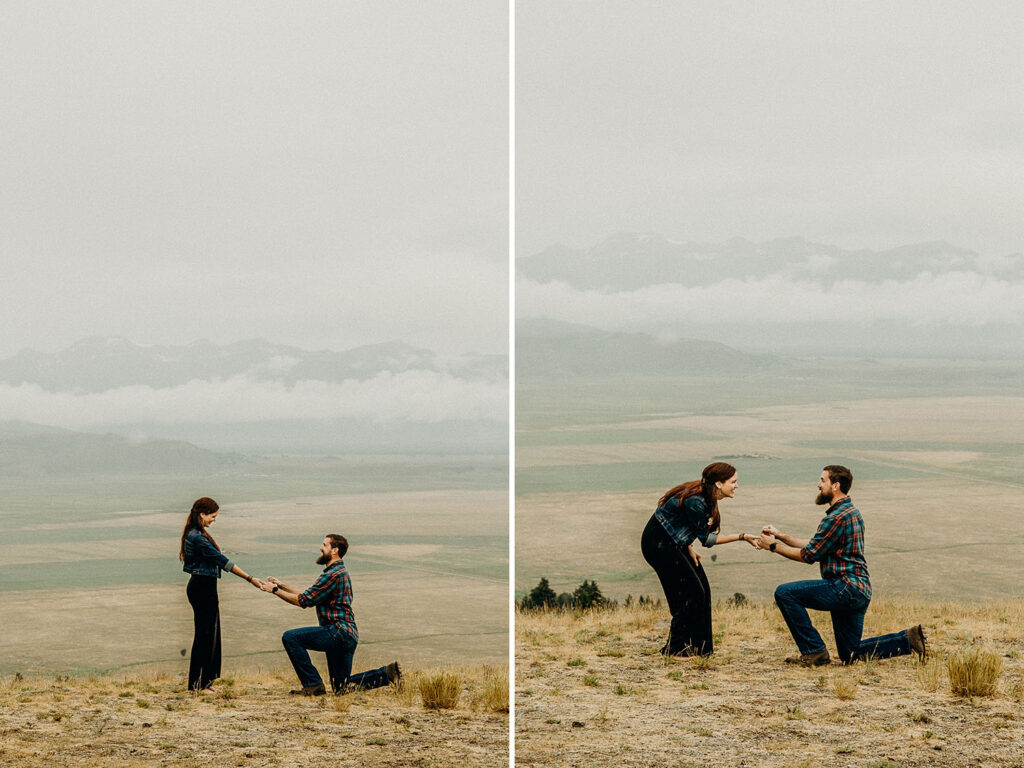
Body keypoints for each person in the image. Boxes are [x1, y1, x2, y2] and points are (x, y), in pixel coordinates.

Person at [756, 465, 927, 666]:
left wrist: (773, 546)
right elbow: (816, 545)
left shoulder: (836, 517)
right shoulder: (850, 511)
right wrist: (781, 535)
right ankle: (908, 639)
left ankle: (814, 651)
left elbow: (809, 555)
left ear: (835, 485)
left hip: (845, 587)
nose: (818, 485)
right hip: (858, 590)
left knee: (785, 593)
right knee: (851, 653)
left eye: (822, 480)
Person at [640, 462, 758, 656]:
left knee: (703, 591)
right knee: (691, 594)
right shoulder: (696, 501)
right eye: (733, 482)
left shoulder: (705, 494)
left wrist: (688, 547)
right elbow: (707, 539)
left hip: (673, 542)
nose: (737, 486)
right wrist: (742, 536)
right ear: (719, 484)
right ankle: (677, 648)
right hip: (659, 545)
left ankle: (701, 648)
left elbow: (680, 523)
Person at [261, 533, 401, 696]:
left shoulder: (332, 574)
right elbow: (309, 594)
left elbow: (303, 601)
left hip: (337, 632)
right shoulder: (338, 572)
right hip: (347, 635)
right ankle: (388, 674)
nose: (321, 548)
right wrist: (282, 586)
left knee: (290, 638)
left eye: (325, 545)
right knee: (342, 687)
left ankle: (313, 685)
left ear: (335, 550)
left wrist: (275, 591)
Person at [179, 497, 265, 691]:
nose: (214, 520)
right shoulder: (198, 538)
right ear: (202, 514)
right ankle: (198, 684)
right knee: (204, 636)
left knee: (208, 635)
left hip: (205, 587)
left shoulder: (196, 533)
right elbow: (223, 561)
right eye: (213, 516)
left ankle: (203, 682)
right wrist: (250, 579)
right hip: (202, 588)